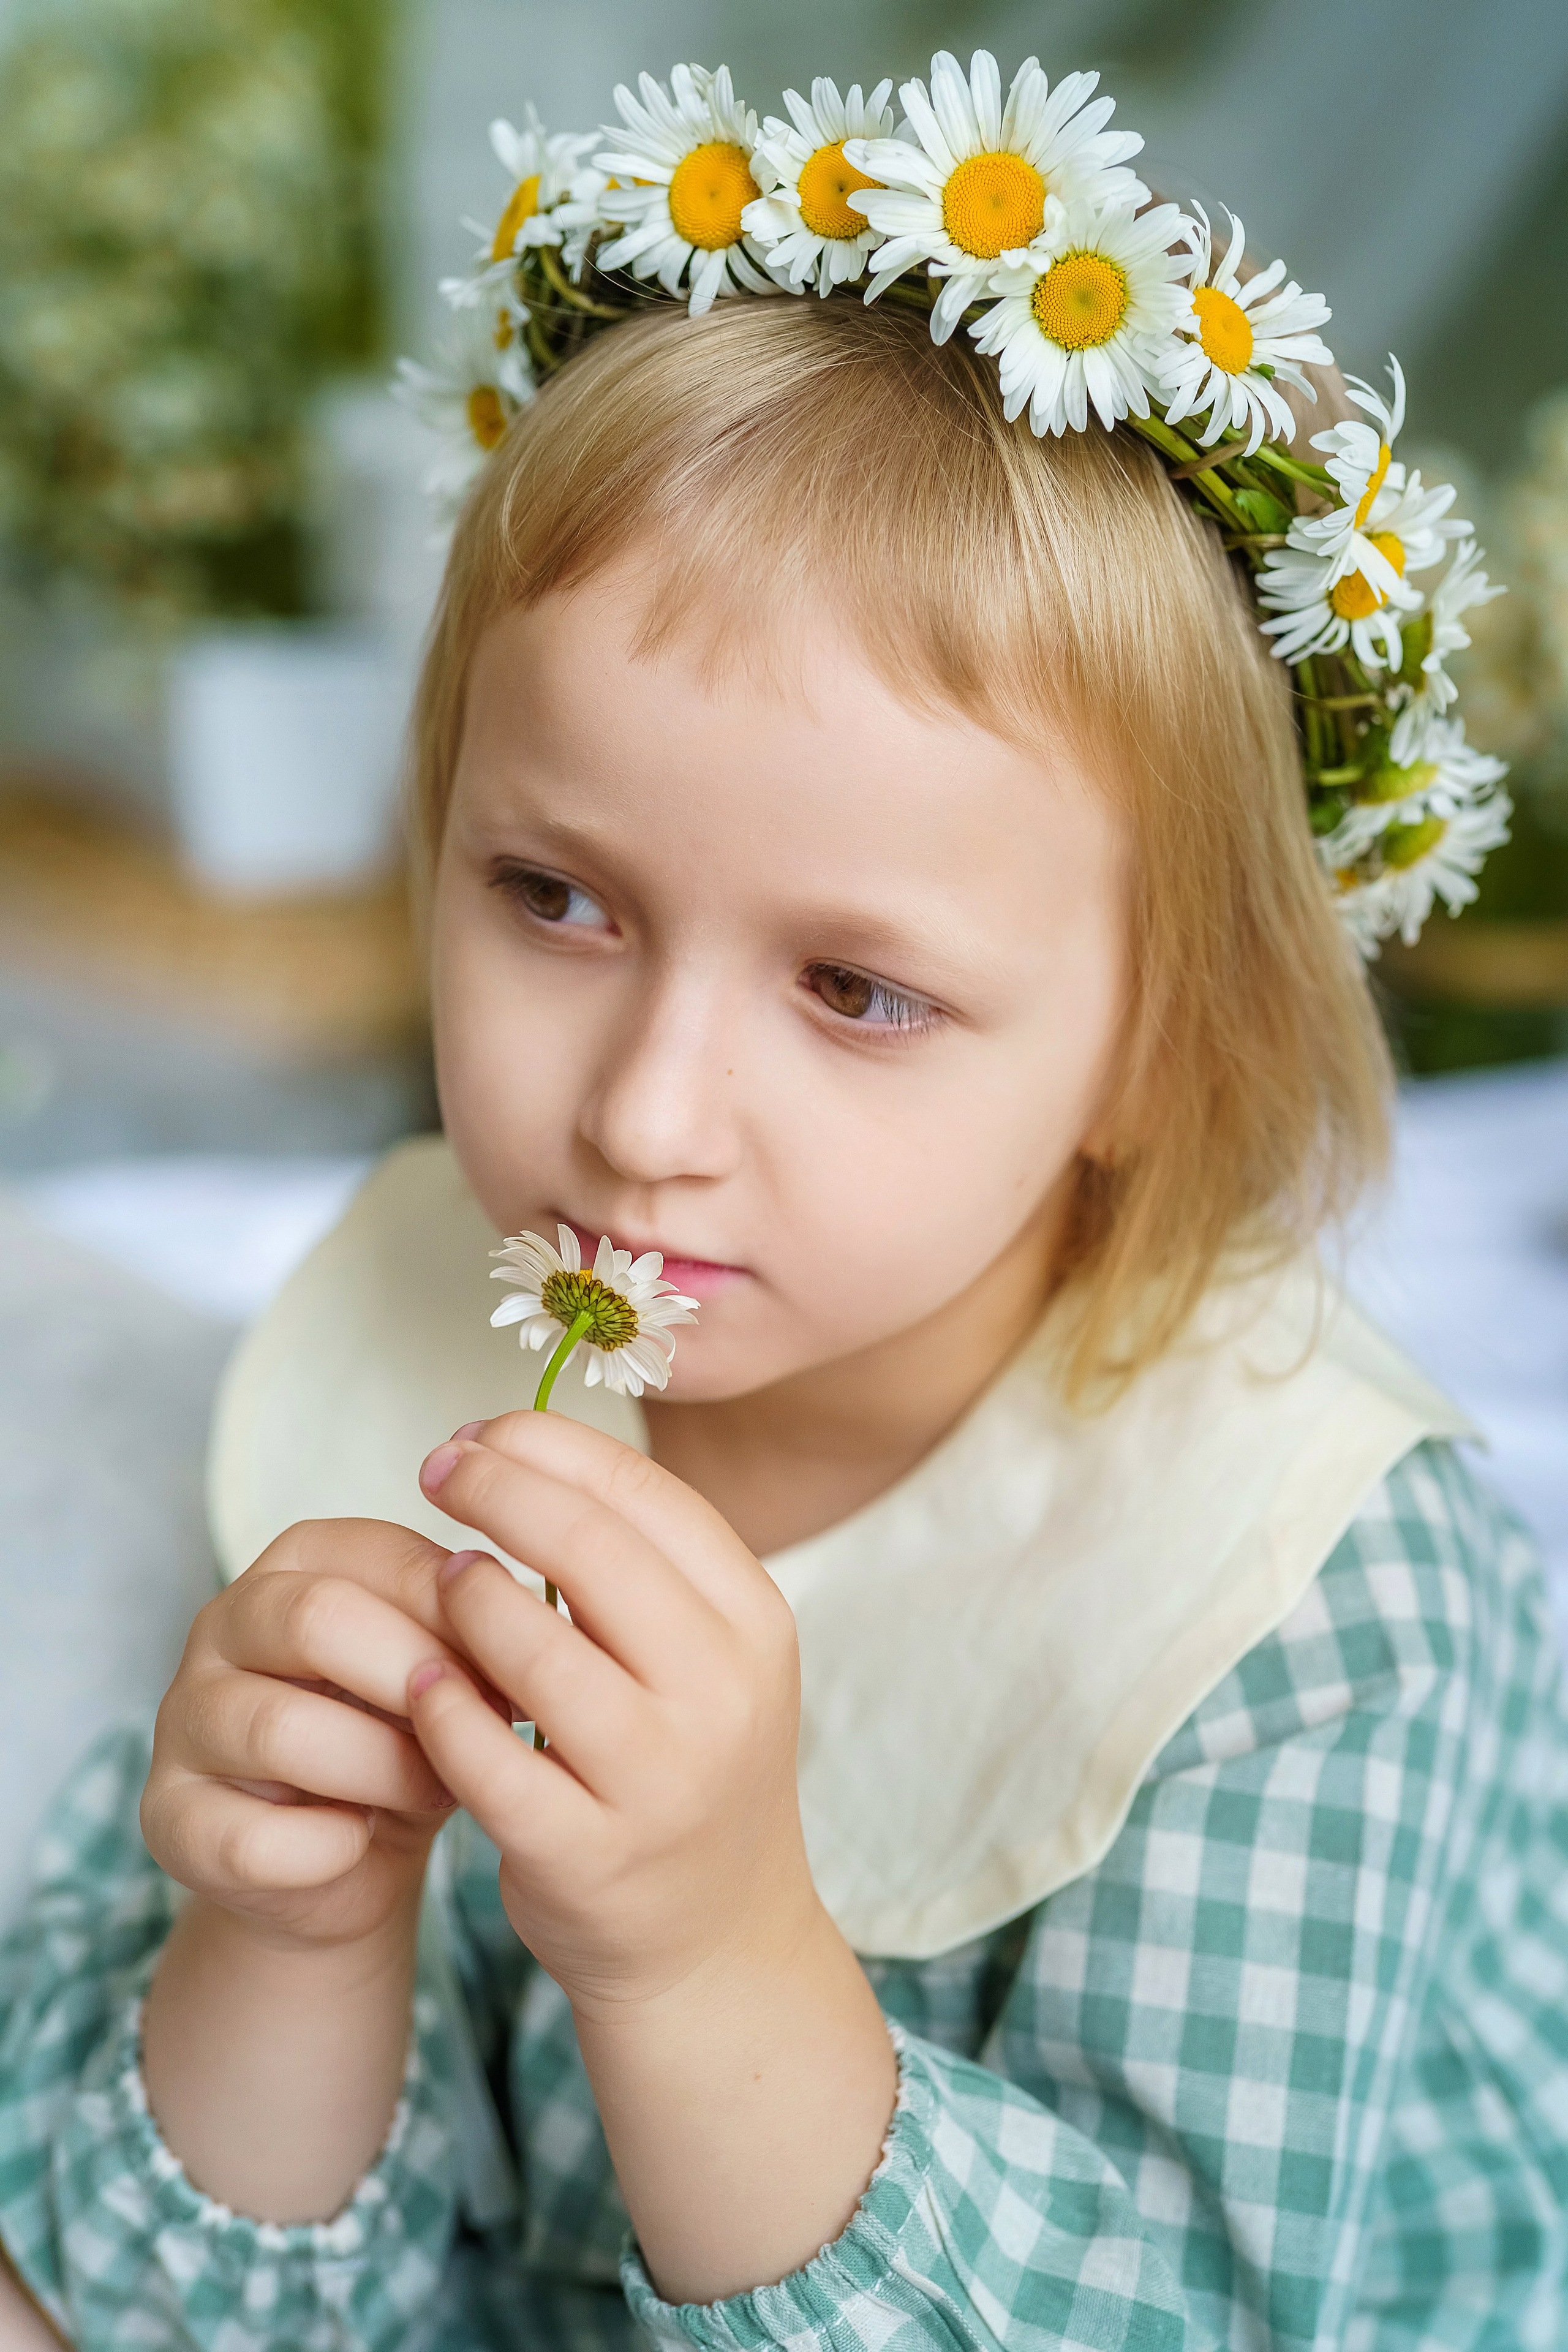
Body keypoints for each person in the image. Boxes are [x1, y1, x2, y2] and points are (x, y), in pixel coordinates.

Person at [2, 48, 1561, 2352]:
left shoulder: (1298, 1599)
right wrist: (289, 1938)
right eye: (553, 894)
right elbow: (197, 2299)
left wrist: (710, 1948)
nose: (644, 1115)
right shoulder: (410, 1341)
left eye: (857, 986)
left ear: (1159, 1041)